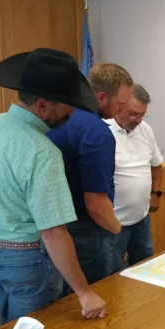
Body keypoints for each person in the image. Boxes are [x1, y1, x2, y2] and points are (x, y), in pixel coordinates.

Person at [0, 48, 106, 324]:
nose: (71, 111)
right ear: (42, 105)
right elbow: (52, 232)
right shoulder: (42, 152)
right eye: (65, 103)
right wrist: (85, 293)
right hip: (26, 260)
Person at [47, 63, 133, 295]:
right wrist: (117, 230)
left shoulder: (50, 120)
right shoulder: (96, 132)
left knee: (65, 300)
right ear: (102, 97)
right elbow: (95, 203)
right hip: (88, 232)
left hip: (53, 228)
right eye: (121, 105)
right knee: (100, 297)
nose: (121, 111)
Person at [109, 84, 163, 272]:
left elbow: (156, 164)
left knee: (145, 268)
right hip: (113, 223)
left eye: (142, 114)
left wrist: (156, 193)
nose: (139, 120)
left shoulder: (145, 129)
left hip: (141, 218)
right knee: (111, 274)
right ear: (119, 107)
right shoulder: (103, 130)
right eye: (133, 114)